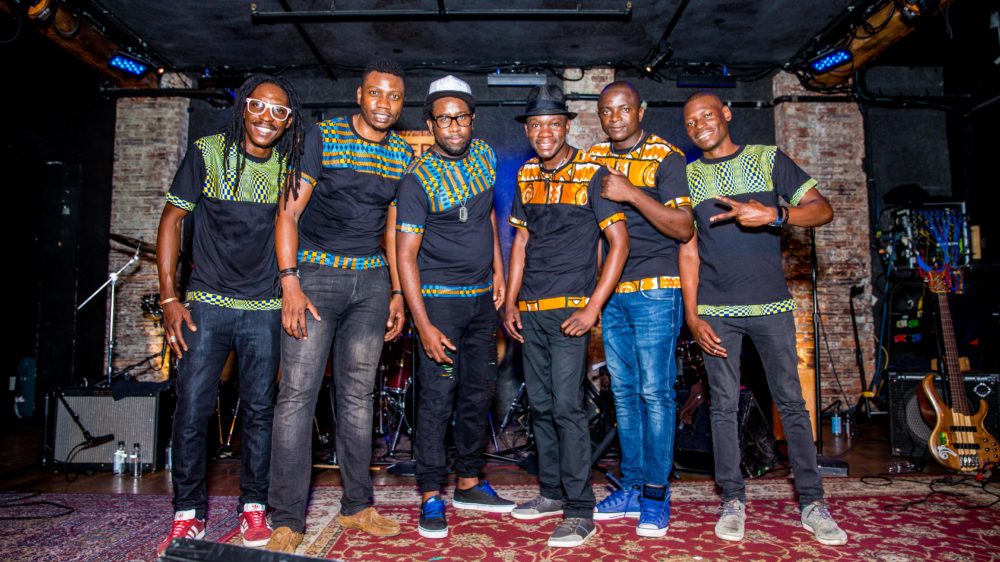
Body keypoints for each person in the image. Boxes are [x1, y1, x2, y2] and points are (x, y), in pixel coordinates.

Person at [678, 91, 847, 546]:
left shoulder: (768, 159)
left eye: (707, 115)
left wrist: (776, 214)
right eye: (690, 121)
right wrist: (692, 316)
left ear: (727, 114)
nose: (700, 125)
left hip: (771, 306)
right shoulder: (688, 177)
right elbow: (688, 252)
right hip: (716, 310)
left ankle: (812, 501)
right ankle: (732, 499)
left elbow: (823, 209)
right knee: (722, 405)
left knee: (790, 402)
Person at [266, 58, 412, 552]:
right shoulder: (323, 137)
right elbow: (288, 213)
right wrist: (290, 282)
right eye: (376, 93)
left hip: (370, 283)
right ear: (359, 95)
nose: (384, 104)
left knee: (358, 397)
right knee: (297, 396)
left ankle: (357, 506)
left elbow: (392, 227)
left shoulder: (401, 155)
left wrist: (395, 290)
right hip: (315, 278)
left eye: (394, 96)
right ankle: (287, 519)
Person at [155, 74, 303, 556]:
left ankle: (253, 505)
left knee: (260, 411)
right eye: (259, 106)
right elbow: (171, 220)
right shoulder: (208, 152)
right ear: (244, 108)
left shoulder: (288, 167)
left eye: (279, 112)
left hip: (264, 307)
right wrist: (169, 297)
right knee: (193, 408)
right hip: (207, 304)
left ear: (288, 122)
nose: (267, 118)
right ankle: (187, 513)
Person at [503, 85, 629, 548]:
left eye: (553, 124)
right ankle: (552, 492)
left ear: (567, 126)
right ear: (527, 130)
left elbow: (619, 244)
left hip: (570, 313)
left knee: (567, 408)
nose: (544, 133)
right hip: (530, 311)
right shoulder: (525, 175)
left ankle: (580, 510)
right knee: (539, 407)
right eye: (536, 125)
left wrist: (593, 306)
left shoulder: (593, 174)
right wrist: (510, 301)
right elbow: (521, 242)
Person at [395, 75, 512, 539]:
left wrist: (499, 269)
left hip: (482, 303)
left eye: (460, 117)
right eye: (443, 119)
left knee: (478, 395)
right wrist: (422, 323)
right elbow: (405, 255)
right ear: (431, 124)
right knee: (437, 400)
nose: (454, 126)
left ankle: (467, 482)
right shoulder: (416, 180)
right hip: (439, 306)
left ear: (472, 119)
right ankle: (430, 494)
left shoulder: (485, 156)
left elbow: (487, 218)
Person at [587, 81, 693, 537]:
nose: (615, 118)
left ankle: (655, 493)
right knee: (624, 394)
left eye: (623, 109)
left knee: (656, 393)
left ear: (641, 111)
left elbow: (684, 227)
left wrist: (631, 192)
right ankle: (630, 485)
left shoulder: (666, 157)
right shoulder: (593, 158)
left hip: (655, 290)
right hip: (612, 293)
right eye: (607, 111)